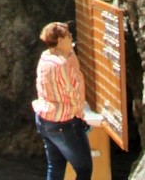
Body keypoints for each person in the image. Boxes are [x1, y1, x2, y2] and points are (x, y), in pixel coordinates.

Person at [33, 22, 92, 180]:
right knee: (84, 169)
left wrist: (70, 52)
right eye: (68, 36)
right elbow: (73, 92)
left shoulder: (45, 57)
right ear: (59, 40)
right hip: (64, 123)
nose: (71, 39)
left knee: (55, 167)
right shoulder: (61, 65)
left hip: (44, 119)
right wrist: (80, 115)